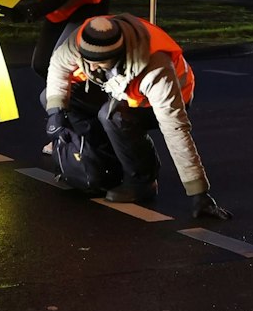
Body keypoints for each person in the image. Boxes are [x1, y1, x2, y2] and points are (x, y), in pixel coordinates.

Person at [43, 12, 230, 219]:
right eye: (87, 61)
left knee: (114, 116)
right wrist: (55, 111)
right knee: (52, 98)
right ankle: (105, 164)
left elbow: (175, 129)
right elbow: (59, 65)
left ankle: (142, 181)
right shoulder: (82, 39)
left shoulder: (155, 67)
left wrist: (198, 192)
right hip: (117, 86)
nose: (91, 67)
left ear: (117, 55)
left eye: (98, 62)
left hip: (165, 98)